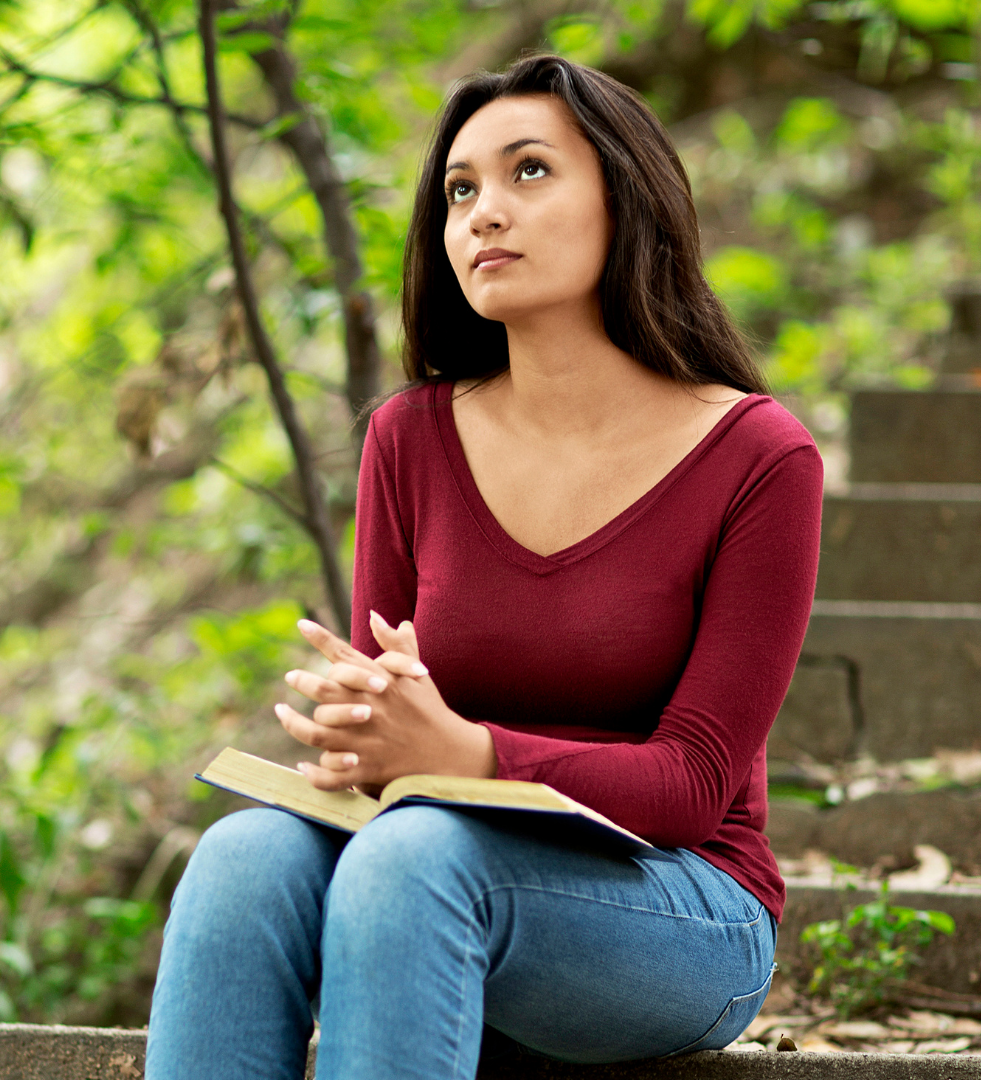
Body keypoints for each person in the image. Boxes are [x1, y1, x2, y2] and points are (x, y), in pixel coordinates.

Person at [145, 54, 822, 1080]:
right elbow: (393, 733)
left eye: (529, 172)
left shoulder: (758, 459)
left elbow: (692, 784)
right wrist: (361, 737)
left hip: (682, 908)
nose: (483, 212)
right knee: (245, 857)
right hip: (426, 870)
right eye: (460, 189)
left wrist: (464, 755)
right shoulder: (409, 440)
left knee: (414, 860)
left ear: (625, 196)